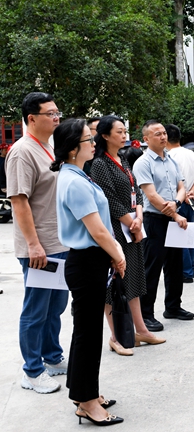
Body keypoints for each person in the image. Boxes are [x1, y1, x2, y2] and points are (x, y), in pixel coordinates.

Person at [53, 119, 126, 426]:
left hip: (90, 261)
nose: (94, 143)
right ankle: (86, 401)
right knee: (88, 334)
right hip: (86, 262)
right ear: (73, 148)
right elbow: (97, 230)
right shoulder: (74, 181)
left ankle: (84, 392)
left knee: (87, 331)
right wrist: (118, 255)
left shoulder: (77, 174)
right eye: (87, 139)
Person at [6, 92, 69, 394]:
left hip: (58, 242)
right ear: (32, 118)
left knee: (55, 306)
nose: (57, 118)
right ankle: (32, 370)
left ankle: (52, 357)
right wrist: (33, 244)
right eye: (50, 113)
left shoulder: (49, 147)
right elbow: (19, 202)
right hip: (40, 246)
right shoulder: (22, 152)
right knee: (36, 310)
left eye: (58, 112)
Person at [91, 116, 165, 355]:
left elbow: (136, 192)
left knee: (133, 277)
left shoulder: (123, 158)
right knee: (114, 283)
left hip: (133, 226)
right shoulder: (99, 163)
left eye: (125, 131)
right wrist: (130, 221)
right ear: (105, 135)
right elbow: (108, 198)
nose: (124, 136)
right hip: (116, 228)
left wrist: (139, 218)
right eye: (119, 132)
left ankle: (140, 330)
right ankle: (116, 336)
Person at [132, 120, 193, 332]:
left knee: (175, 265)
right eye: (157, 134)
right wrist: (174, 213)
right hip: (154, 219)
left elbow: (181, 186)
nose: (163, 137)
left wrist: (176, 203)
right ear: (146, 139)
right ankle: (146, 314)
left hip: (173, 216)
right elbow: (151, 195)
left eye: (164, 133)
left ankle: (173, 306)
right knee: (152, 267)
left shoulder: (171, 160)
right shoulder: (143, 163)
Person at [165, 125, 194, 284]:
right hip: (190, 200)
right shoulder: (191, 154)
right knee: (189, 235)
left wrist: (182, 195)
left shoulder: (168, 156)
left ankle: (186, 271)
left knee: (180, 237)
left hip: (177, 201)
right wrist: (191, 192)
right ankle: (191, 267)